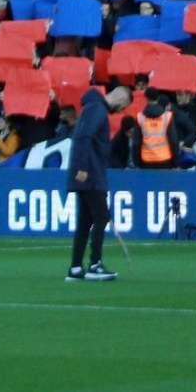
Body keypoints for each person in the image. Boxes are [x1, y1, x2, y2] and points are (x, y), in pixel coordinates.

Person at [66, 83, 128, 282]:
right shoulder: (98, 109)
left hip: (88, 173)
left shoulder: (91, 107)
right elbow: (84, 137)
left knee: (85, 221)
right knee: (101, 217)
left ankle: (76, 267)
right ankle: (95, 264)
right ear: (121, 99)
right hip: (91, 175)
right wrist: (83, 167)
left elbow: (83, 137)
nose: (120, 110)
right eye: (123, 106)